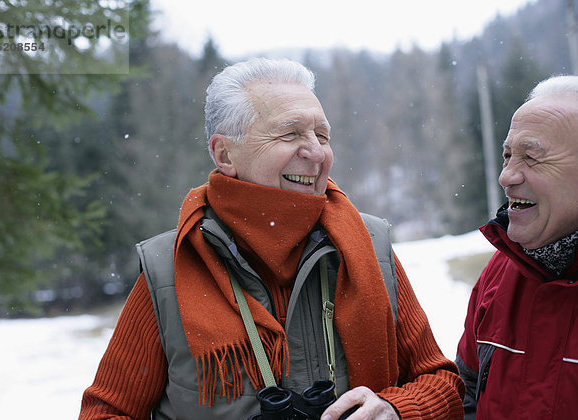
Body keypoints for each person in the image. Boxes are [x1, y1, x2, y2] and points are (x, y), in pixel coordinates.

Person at [80, 57, 464, 419]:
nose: (316, 153)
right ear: (225, 154)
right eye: (290, 133)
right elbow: (105, 411)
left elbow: (443, 383)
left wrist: (396, 409)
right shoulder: (171, 266)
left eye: (322, 135)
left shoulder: (368, 246)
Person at [456, 75, 578, 419]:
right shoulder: (500, 271)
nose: (507, 176)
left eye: (532, 157)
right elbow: (465, 396)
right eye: (508, 155)